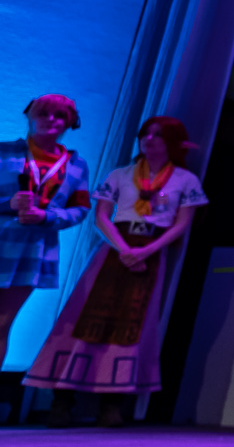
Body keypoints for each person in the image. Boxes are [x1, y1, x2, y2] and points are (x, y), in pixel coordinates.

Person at [24, 116, 207, 426]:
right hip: (114, 249)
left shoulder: (185, 180)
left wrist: (146, 251)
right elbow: (101, 217)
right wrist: (123, 249)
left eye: (158, 135)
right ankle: (62, 401)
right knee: (83, 317)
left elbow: (182, 223)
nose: (149, 139)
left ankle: (111, 405)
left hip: (151, 252)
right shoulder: (120, 175)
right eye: (146, 134)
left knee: (134, 323)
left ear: (173, 142)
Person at [0, 96, 93, 424]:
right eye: (44, 113)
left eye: (60, 116)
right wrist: (7, 204)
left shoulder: (76, 165)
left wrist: (47, 216)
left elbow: (80, 209)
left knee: (3, 323)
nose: (51, 120)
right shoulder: (4, 151)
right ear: (30, 116)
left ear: (70, 123)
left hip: (34, 249)